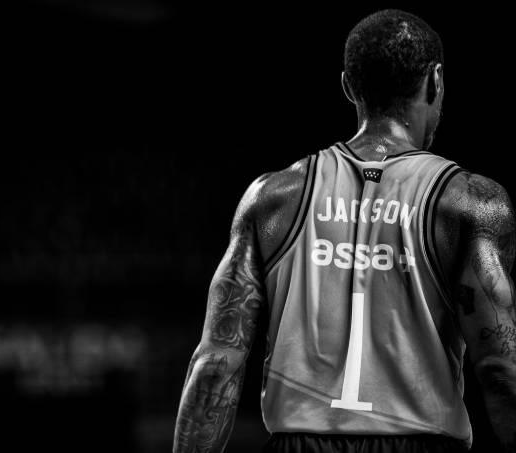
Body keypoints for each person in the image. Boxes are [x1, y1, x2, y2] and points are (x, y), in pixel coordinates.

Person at [173, 9, 516, 453]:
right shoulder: (467, 201)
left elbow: (216, 364)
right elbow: (499, 370)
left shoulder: (274, 197)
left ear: (348, 87)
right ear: (435, 81)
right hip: (422, 443)